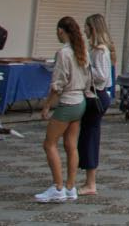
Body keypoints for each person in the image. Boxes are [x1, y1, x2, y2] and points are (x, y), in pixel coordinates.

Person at [34, 16, 90, 203]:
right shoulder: (81, 50)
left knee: (49, 144)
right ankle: (70, 186)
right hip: (80, 100)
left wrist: (47, 105)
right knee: (70, 145)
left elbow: (57, 84)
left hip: (67, 101)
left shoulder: (63, 53)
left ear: (60, 31)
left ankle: (58, 187)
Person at [77, 14, 114, 196]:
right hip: (95, 95)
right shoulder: (97, 49)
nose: (84, 30)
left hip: (96, 96)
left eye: (86, 26)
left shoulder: (99, 50)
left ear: (92, 28)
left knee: (90, 137)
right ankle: (87, 179)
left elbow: (102, 76)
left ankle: (90, 182)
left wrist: (84, 68)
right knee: (87, 136)